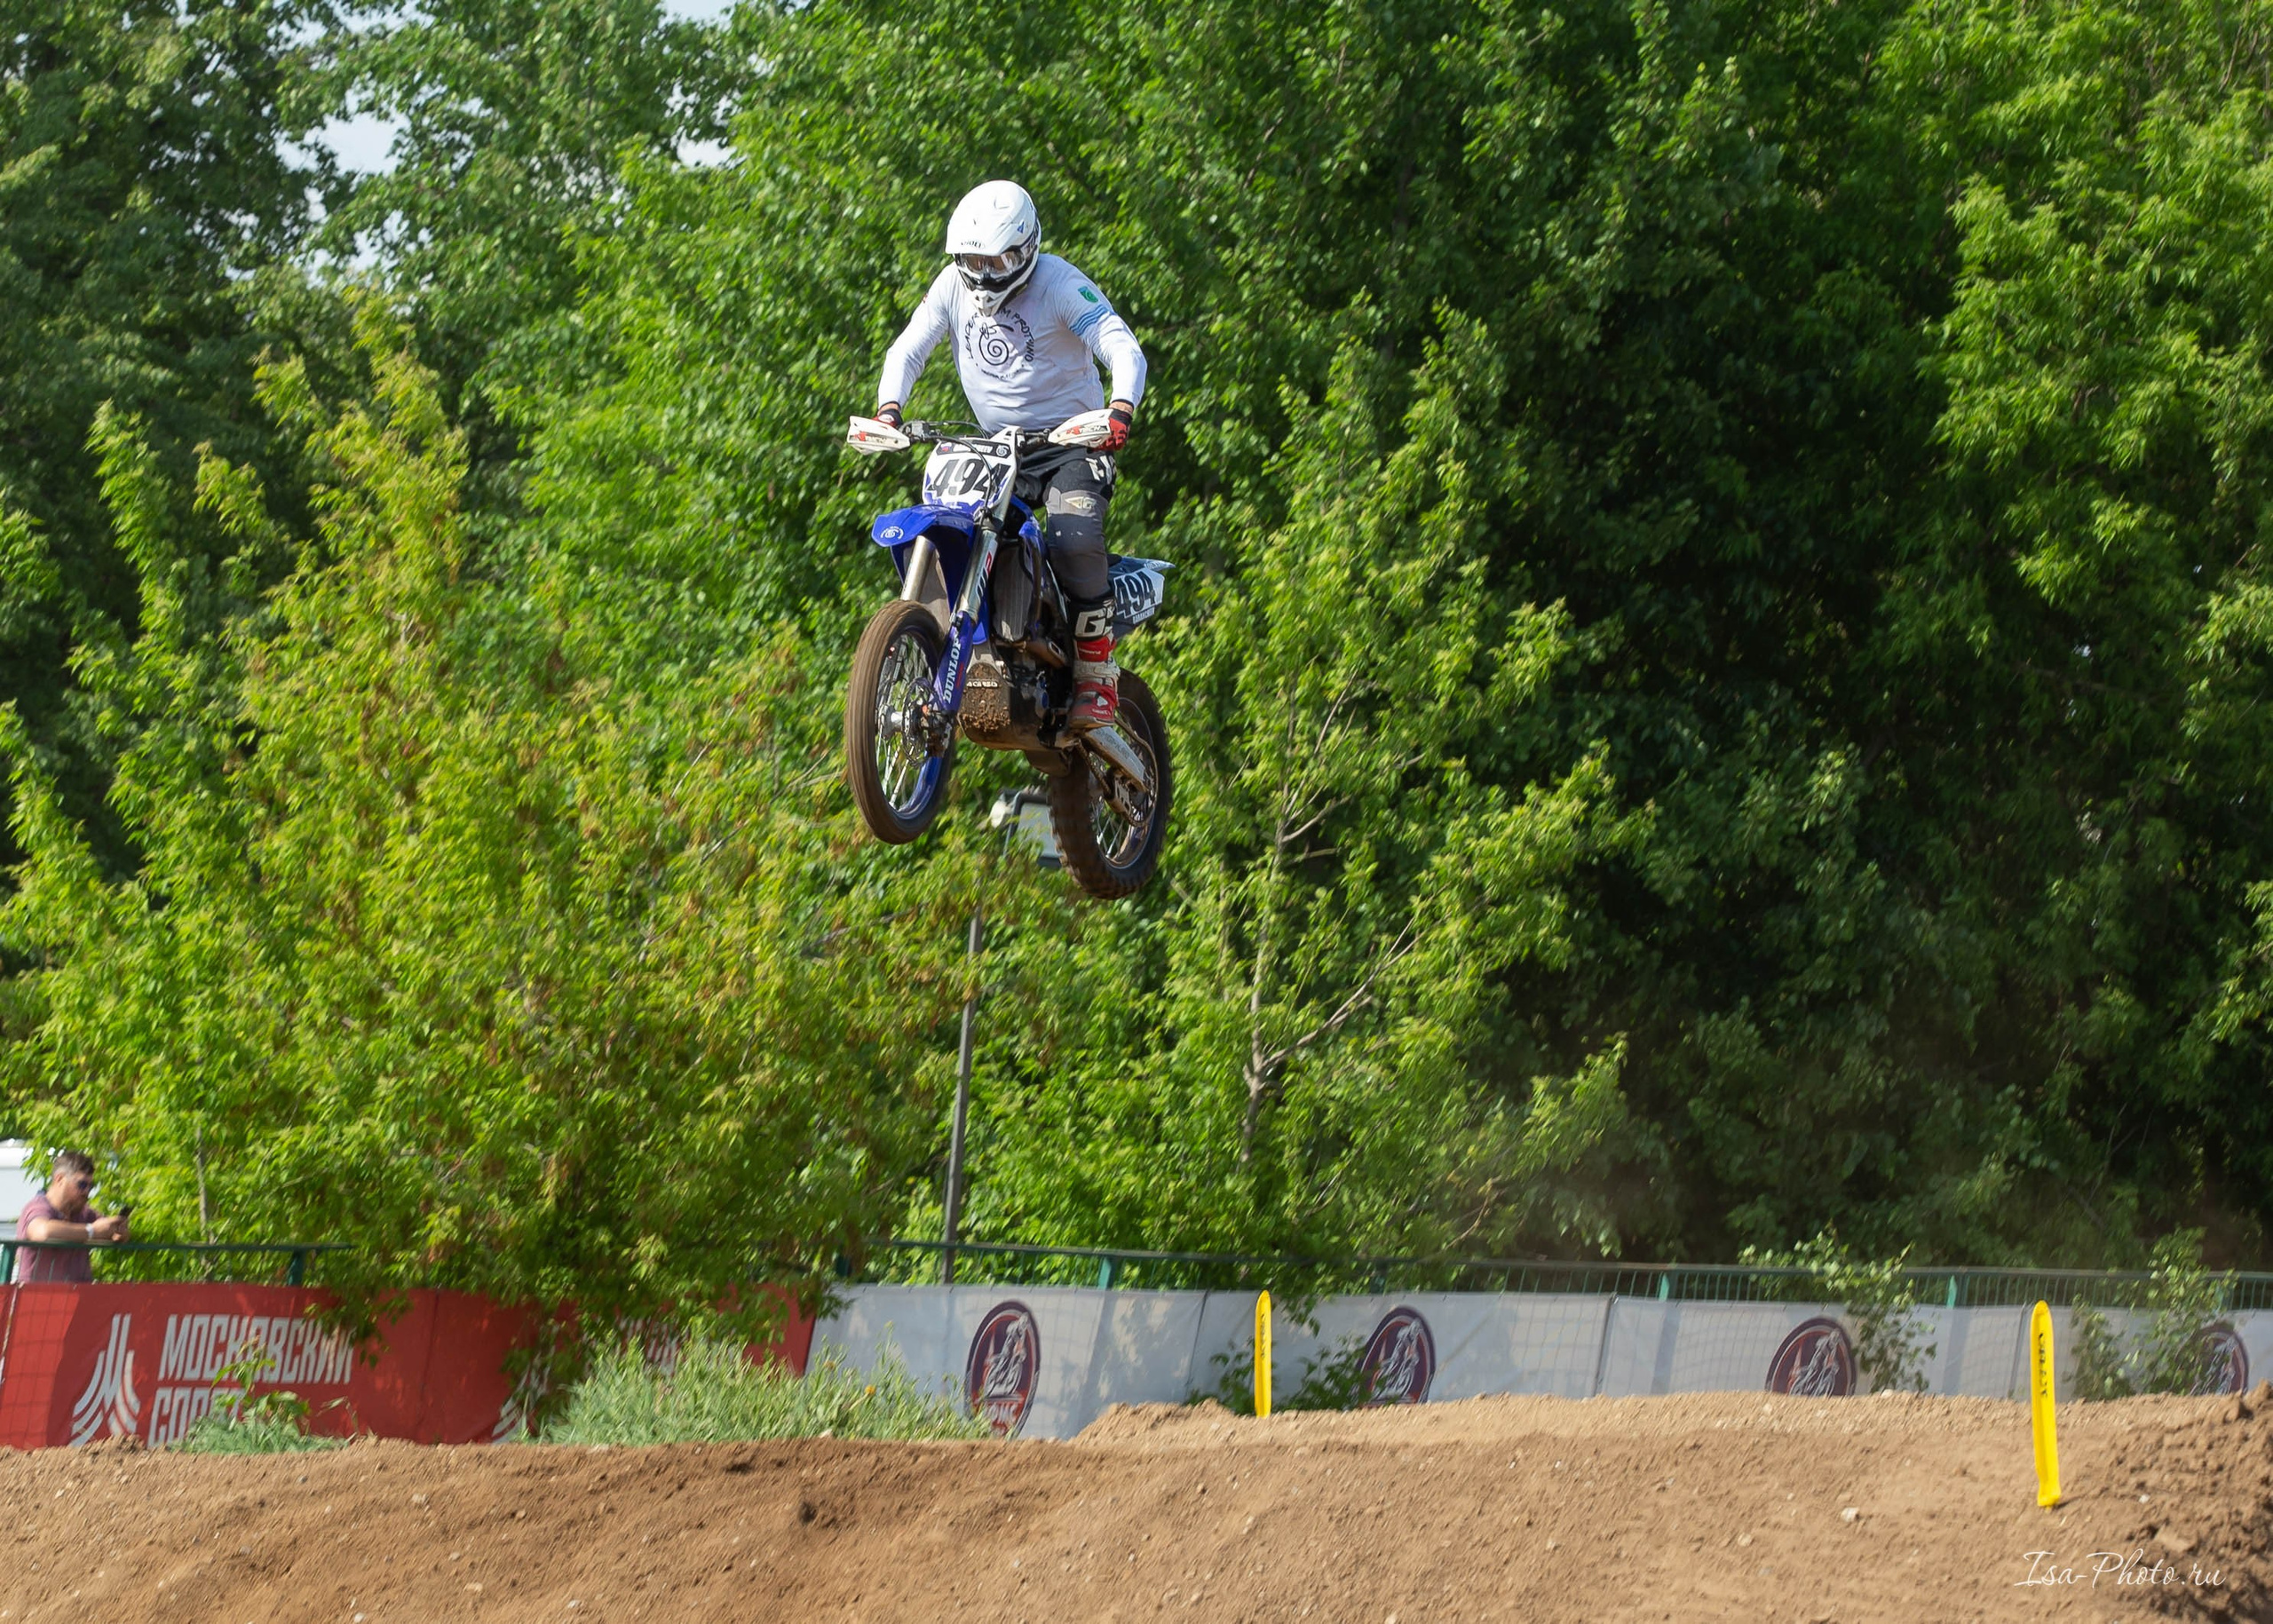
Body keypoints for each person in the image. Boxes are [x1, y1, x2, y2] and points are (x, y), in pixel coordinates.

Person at [873, 179, 1148, 731]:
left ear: (1026, 251)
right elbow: (909, 346)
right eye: (973, 259)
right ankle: (951, 644)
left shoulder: (1060, 284)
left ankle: (1097, 674)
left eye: (997, 259)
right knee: (952, 520)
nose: (985, 273)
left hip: (1072, 439)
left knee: (1073, 528)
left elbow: (1121, 343)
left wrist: (1120, 407)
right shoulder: (952, 285)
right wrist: (888, 410)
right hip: (998, 446)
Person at [16, 1150, 126, 1284]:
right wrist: (92, 1231)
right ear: (60, 1179)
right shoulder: (38, 1207)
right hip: (38, 1300)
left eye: (90, 1186)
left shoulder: (84, 1213)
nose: (87, 1192)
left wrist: (119, 1231)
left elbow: (113, 1232)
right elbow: (42, 1232)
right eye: (82, 1185)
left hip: (77, 1298)